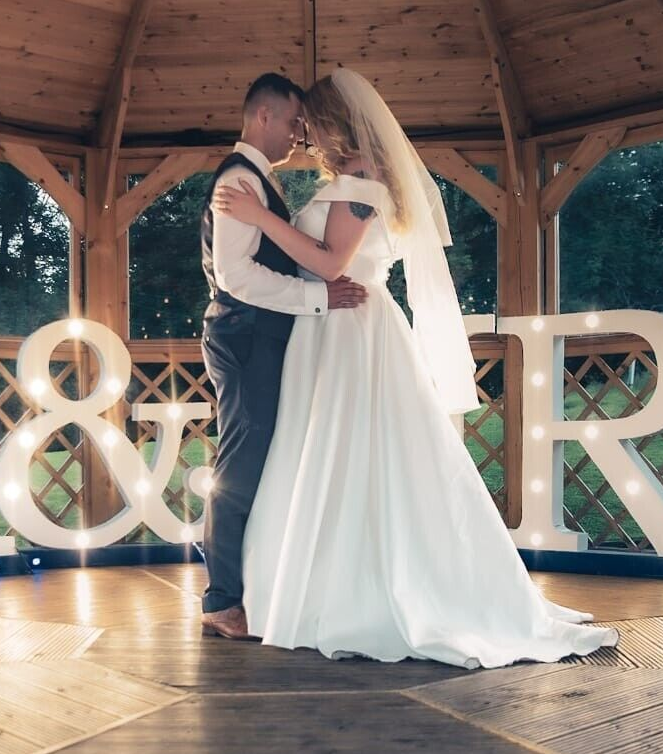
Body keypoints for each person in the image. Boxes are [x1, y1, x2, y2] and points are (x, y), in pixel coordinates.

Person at [211, 68, 620, 668]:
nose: (306, 137)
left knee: (355, 457)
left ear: (336, 123)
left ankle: (362, 589)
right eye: (300, 125)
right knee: (327, 457)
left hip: (350, 332)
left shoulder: (364, 183)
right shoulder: (349, 179)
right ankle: (312, 581)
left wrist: (264, 217)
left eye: (313, 124)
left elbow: (329, 265)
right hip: (326, 332)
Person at [197, 73, 369, 639]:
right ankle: (222, 601)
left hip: (261, 337)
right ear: (264, 116)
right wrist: (318, 296)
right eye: (294, 122)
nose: (300, 134)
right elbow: (236, 276)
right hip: (244, 336)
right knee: (238, 469)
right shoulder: (241, 179)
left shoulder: (259, 183)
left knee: (258, 463)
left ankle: (255, 587)